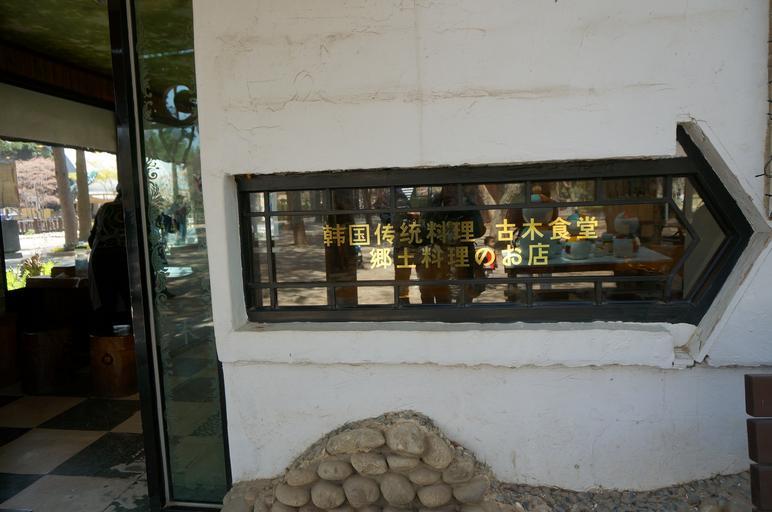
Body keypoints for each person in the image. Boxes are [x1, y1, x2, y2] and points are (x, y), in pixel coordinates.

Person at [88, 186, 131, 335]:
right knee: (133, 302)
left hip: (101, 259)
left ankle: (107, 344)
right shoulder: (133, 209)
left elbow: (92, 239)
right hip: (126, 258)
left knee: (106, 304)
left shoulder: (105, 208)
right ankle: (133, 341)